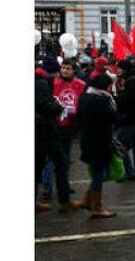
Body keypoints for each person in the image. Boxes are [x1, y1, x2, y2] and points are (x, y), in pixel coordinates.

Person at [35, 57, 81, 213]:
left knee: (45, 164)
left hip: (47, 130)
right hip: (46, 130)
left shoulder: (40, 80)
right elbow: (43, 105)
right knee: (59, 162)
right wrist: (58, 108)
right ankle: (64, 200)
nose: (61, 72)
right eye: (60, 69)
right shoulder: (42, 82)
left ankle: (62, 197)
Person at [78, 73, 118, 218]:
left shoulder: (86, 96)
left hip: (88, 139)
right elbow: (112, 117)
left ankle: (87, 199)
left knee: (99, 173)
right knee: (99, 174)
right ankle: (96, 206)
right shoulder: (101, 100)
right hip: (99, 141)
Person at [51, 59, 86, 194]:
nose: (65, 70)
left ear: (73, 70)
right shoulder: (54, 83)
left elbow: (82, 104)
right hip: (55, 125)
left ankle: (64, 184)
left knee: (65, 157)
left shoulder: (80, 84)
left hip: (69, 126)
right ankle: (56, 186)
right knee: (55, 159)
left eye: (68, 68)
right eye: (63, 67)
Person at [116, 60, 135, 180]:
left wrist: (119, 96)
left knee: (120, 144)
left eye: (119, 68)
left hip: (130, 119)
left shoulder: (130, 81)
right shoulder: (132, 80)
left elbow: (129, 101)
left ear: (124, 69)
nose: (117, 70)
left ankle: (129, 171)